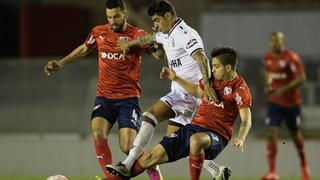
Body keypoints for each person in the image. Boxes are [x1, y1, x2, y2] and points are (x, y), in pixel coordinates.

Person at [43, 0, 163, 179]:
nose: (112, 21)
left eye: (116, 16)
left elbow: (159, 55)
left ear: (125, 13)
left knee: (127, 147)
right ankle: (110, 177)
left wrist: (156, 43)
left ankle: (152, 167)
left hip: (128, 99)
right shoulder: (99, 32)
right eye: (109, 17)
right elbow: (84, 49)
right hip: (104, 97)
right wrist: (60, 63)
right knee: (97, 131)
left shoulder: (137, 35)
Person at [107, 0, 227, 179]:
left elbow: (202, 58)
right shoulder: (167, 32)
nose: (155, 25)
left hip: (190, 95)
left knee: (151, 116)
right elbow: (149, 38)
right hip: (180, 94)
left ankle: (127, 164)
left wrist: (208, 85)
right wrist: (129, 44)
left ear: (169, 17)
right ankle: (216, 170)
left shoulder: (184, 33)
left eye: (157, 20)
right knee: (173, 143)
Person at [107, 47, 252, 180]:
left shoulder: (240, 88)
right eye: (212, 65)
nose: (212, 70)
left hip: (217, 135)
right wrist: (175, 78)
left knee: (196, 141)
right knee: (149, 159)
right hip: (193, 128)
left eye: (216, 66)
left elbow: (246, 120)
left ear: (228, 68)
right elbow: (196, 91)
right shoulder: (212, 80)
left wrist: (240, 138)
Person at [261, 32, 311, 180]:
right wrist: (268, 86)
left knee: (295, 135)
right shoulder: (268, 57)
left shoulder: (291, 57)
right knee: (271, 132)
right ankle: (272, 172)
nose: (275, 43)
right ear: (270, 42)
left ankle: (304, 165)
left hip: (291, 104)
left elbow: (302, 78)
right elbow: (267, 72)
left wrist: (283, 89)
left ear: (282, 41)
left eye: (278, 40)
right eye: (272, 41)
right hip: (274, 103)